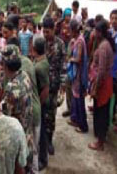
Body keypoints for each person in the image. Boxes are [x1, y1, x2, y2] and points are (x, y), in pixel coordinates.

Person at [1, 45, 34, 173]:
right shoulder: (24, 75)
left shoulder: (12, 88)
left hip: (18, 145)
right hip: (28, 137)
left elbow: (5, 117)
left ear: (5, 65)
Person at [88, 20, 114, 151]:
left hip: (102, 84)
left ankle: (100, 142)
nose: (94, 33)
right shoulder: (104, 44)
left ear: (100, 32)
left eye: (96, 31)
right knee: (101, 110)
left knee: (101, 112)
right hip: (104, 82)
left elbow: (102, 70)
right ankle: (101, 137)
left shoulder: (104, 47)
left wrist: (95, 88)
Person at [43, 17, 66, 155]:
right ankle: (42, 140)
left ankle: (49, 141)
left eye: (48, 32)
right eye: (44, 32)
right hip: (42, 84)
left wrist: (62, 83)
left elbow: (63, 65)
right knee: (42, 112)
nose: (46, 34)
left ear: (53, 30)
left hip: (54, 84)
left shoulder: (60, 44)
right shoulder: (40, 42)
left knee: (51, 113)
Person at [67, 20, 89, 133]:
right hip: (76, 75)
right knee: (75, 98)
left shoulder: (80, 41)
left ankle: (83, 125)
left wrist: (71, 59)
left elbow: (79, 59)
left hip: (79, 76)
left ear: (73, 30)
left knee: (79, 100)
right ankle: (75, 119)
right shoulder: (76, 40)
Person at [32, 36, 49, 171]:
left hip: (41, 103)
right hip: (41, 102)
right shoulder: (41, 62)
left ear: (34, 49)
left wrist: (40, 103)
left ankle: (43, 159)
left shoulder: (39, 67)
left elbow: (45, 89)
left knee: (42, 131)